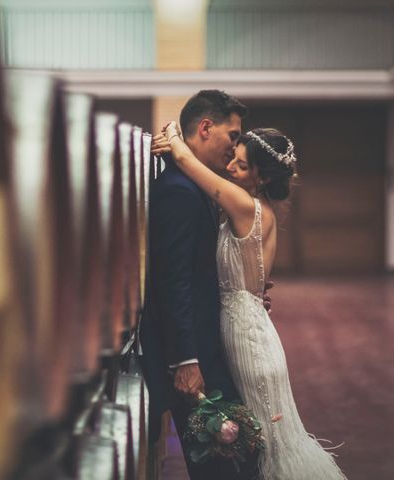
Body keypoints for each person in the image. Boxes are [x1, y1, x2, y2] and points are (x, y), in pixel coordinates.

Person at [150, 119, 347, 479]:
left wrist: (174, 135)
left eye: (241, 165)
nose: (230, 168)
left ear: (262, 178)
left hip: (247, 338)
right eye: (233, 159)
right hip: (248, 324)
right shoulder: (253, 206)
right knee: (267, 445)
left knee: (268, 444)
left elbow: (187, 162)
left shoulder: (244, 204)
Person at [140, 90, 261, 480]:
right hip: (195, 357)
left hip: (210, 344)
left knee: (235, 458)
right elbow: (171, 280)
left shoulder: (196, 184)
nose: (235, 147)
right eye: (233, 135)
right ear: (206, 128)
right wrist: (185, 360)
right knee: (222, 465)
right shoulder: (178, 191)